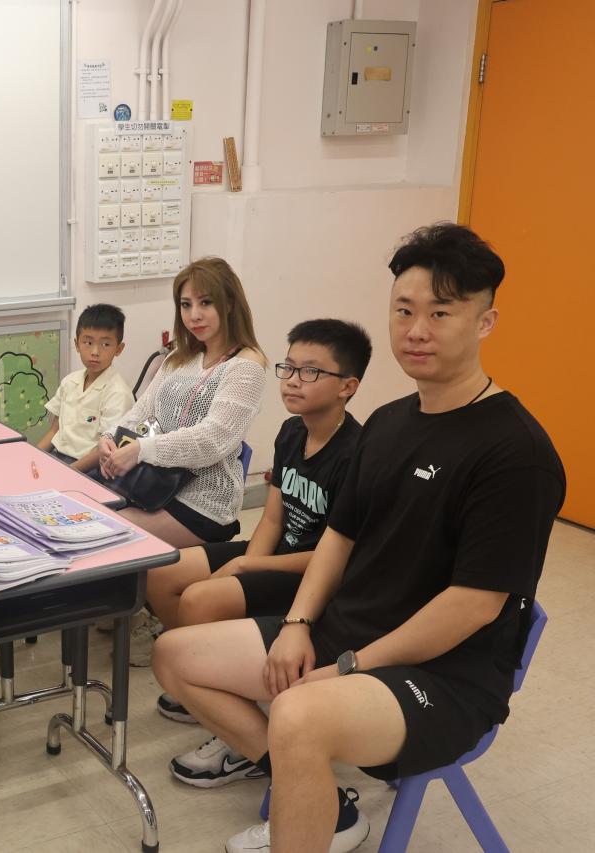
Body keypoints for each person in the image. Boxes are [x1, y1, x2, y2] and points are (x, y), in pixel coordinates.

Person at [153, 224, 565, 853]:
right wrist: (297, 625)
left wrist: (350, 667)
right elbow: (339, 537)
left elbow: (472, 606)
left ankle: (306, 791)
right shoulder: (391, 422)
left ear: (485, 322)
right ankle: (316, 794)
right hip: (346, 632)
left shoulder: (515, 453)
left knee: (296, 714)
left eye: (441, 312)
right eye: (404, 310)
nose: (417, 329)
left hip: (442, 675)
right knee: (174, 656)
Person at [154, 319, 370, 789]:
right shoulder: (292, 431)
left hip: (313, 574)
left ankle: (238, 732)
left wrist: (247, 569)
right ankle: (211, 679)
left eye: (311, 372)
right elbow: (273, 518)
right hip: (276, 557)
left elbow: (336, 555)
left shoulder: (356, 456)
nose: (292, 380)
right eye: (288, 367)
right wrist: (247, 566)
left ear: (347, 387)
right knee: (162, 572)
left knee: (200, 599)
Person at [99, 257, 267, 548]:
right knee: (88, 513)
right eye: (186, 305)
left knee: (106, 530)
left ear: (229, 304)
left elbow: (212, 440)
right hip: (154, 483)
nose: (194, 315)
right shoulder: (180, 356)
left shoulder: (247, 365)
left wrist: (141, 450)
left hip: (203, 502)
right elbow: (143, 409)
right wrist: (110, 438)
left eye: (206, 303)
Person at [37, 303, 135, 474]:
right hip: (58, 457)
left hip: (91, 467)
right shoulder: (69, 382)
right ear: (77, 344)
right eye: (88, 342)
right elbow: (54, 430)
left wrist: (68, 471)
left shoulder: (118, 393)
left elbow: (104, 450)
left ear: (119, 349)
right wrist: (33, 456)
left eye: (105, 344)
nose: (95, 352)